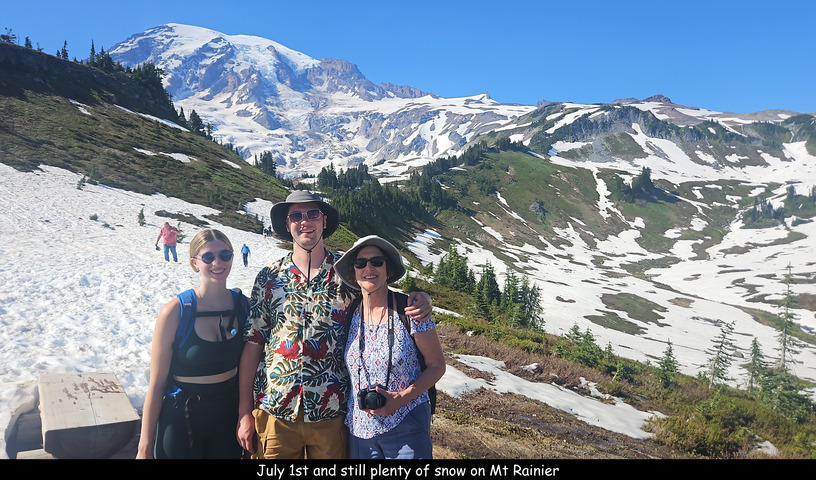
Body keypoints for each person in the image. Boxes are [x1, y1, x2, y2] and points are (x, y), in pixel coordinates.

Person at [237, 190, 433, 459]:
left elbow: (379, 291)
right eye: (296, 215)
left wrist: (422, 297)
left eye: (312, 214)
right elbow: (253, 344)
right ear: (287, 223)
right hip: (276, 411)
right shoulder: (269, 277)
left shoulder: (347, 274)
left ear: (324, 220)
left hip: (331, 411)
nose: (305, 221)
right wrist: (244, 412)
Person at [137, 229, 249, 459]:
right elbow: (157, 385)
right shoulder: (175, 312)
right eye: (208, 257)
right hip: (181, 417)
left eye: (225, 255)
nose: (217, 262)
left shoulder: (244, 307)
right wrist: (144, 447)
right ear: (194, 263)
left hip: (228, 417)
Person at [335, 235, 445, 459]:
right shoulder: (349, 312)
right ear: (354, 272)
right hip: (360, 429)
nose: (369, 268)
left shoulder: (411, 310)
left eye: (377, 262)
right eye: (360, 263)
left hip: (406, 423)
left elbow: (437, 366)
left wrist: (400, 398)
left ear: (388, 269)